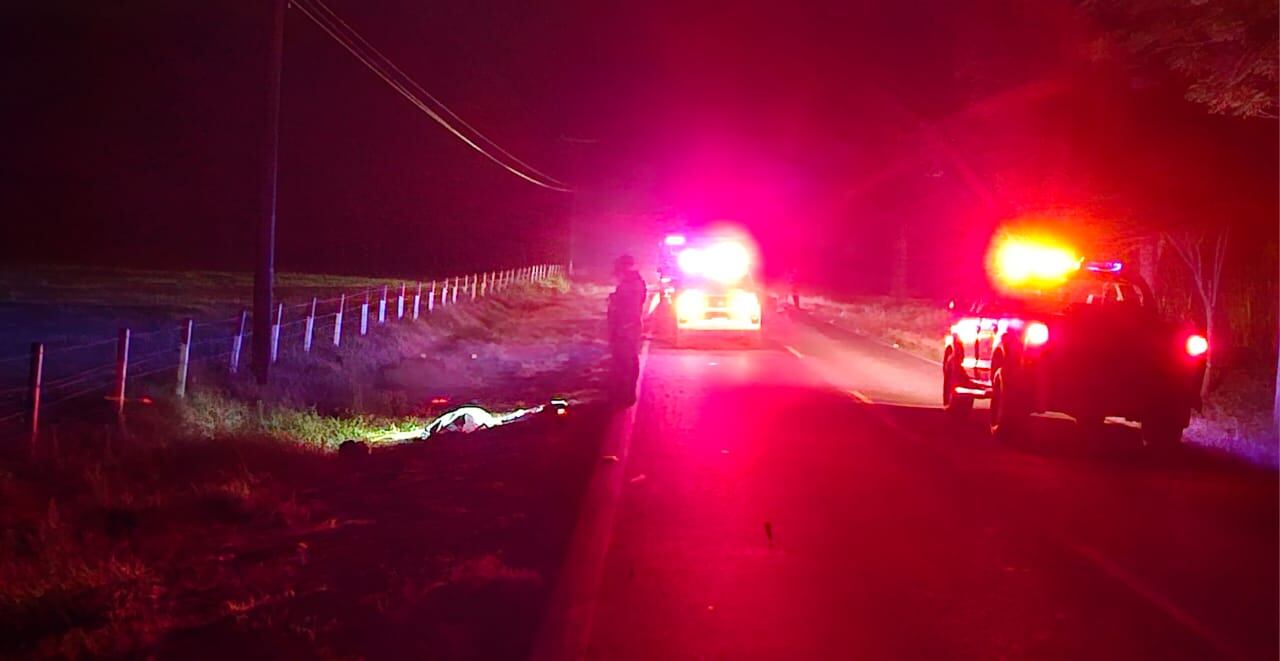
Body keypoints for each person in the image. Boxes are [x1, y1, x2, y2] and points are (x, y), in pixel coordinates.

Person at [607, 254, 647, 406]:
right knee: (627, 361)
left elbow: (627, 308)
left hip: (625, 330)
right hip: (627, 329)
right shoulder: (633, 282)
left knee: (625, 362)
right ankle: (625, 394)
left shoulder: (631, 284)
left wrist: (614, 301)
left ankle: (625, 395)